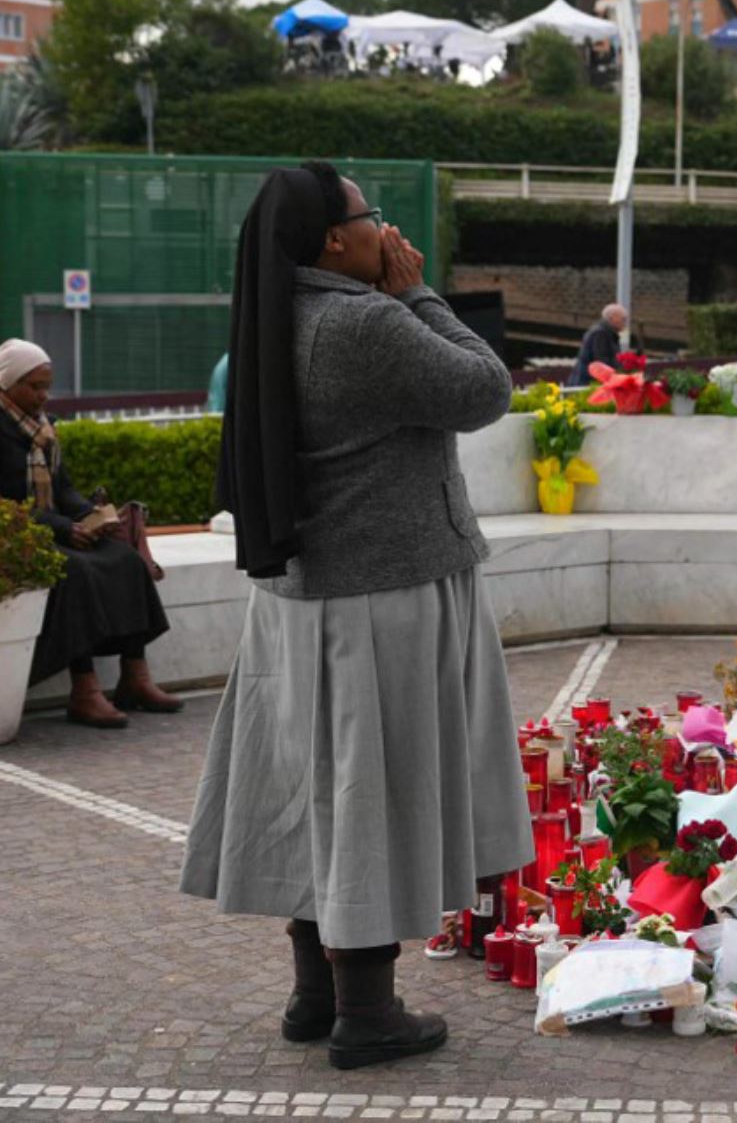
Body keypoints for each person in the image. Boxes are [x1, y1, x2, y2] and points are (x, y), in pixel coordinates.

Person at [180, 162, 532, 1071]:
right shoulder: (364, 321)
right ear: (335, 242)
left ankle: (315, 993)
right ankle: (368, 1013)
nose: (388, 232)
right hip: (382, 599)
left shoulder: (275, 317)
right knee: (369, 795)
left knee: (315, 793)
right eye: (372, 217)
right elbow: (485, 389)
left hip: (301, 600)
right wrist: (420, 296)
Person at [0, 340, 181, 728]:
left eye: (47, 386)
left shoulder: (38, 427)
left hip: (39, 530)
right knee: (73, 571)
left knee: (126, 560)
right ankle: (84, 691)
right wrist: (63, 529)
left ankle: (135, 678)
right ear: (7, 382)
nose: (43, 395)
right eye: (34, 387)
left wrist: (91, 516)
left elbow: (61, 490)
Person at [568, 302, 626, 386]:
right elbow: (601, 361)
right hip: (587, 383)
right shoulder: (600, 334)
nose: (625, 321)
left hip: (588, 381)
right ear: (612, 318)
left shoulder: (605, 332)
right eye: (623, 318)